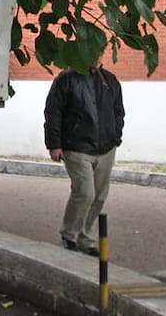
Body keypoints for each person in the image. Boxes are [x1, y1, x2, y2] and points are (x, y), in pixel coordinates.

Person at [44, 58, 124, 256]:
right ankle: (69, 234)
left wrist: (116, 136)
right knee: (85, 192)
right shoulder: (67, 79)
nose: (97, 57)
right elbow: (53, 112)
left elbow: (118, 112)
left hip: (106, 147)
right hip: (76, 147)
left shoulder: (110, 80)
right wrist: (54, 144)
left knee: (99, 195)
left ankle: (85, 238)